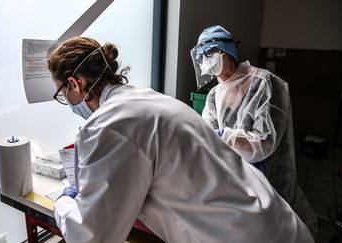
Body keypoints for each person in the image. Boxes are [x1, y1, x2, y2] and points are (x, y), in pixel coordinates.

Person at [48, 36, 314, 243]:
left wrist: (63, 202)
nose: (67, 102)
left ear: (76, 83)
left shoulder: (110, 124)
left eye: (62, 94)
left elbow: (93, 236)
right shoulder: (148, 98)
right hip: (276, 222)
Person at [190, 25, 318, 237]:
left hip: (269, 175)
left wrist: (224, 136)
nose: (206, 60)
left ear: (227, 51)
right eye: (201, 56)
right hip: (237, 178)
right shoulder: (214, 94)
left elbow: (264, 145)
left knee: (282, 230)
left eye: (210, 53)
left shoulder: (264, 82)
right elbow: (208, 132)